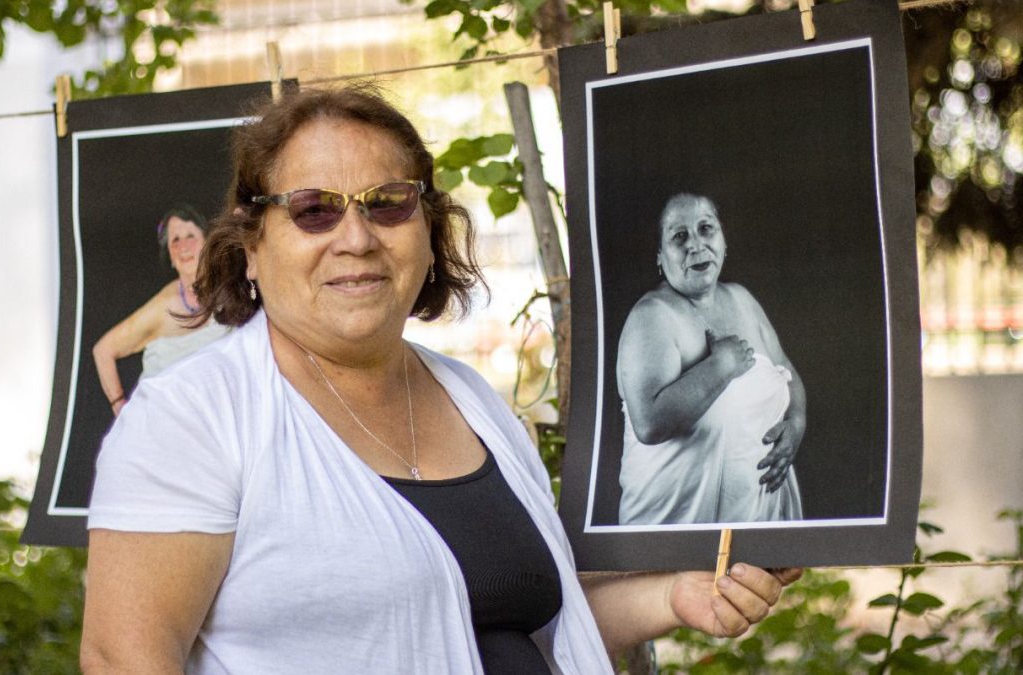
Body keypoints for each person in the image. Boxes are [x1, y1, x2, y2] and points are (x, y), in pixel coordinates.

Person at [80, 87, 801, 674]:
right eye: (313, 209)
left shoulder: (470, 397)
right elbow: (124, 658)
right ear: (250, 249)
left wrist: (679, 595)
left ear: (427, 234)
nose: (355, 237)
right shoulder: (190, 419)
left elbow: (525, 615)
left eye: (387, 203)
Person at [616, 193, 807, 526]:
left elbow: (787, 373)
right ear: (660, 256)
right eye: (679, 237)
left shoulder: (742, 299)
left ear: (723, 240)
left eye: (706, 229)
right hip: (676, 541)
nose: (696, 244)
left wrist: (795, 426)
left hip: (755, 525)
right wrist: (721, 366)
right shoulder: (651, 317)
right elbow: (648, 422)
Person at [91, 205, 230, 416]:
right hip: (164, 422)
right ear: (171, 258)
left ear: (207, 243)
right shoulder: (165, 306)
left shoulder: (231, 289)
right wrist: (120, 407)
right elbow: (103, 351)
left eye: (190, 236)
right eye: (175, 240)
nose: (183, 246)